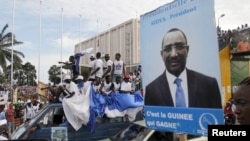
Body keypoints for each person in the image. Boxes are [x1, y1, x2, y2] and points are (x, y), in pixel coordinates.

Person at [145, 28, 222, 109]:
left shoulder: (209, 85)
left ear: (187, 50)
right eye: (168, 49)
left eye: (179, 47)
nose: (174, 54)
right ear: (162, 55)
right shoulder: (151, 91)